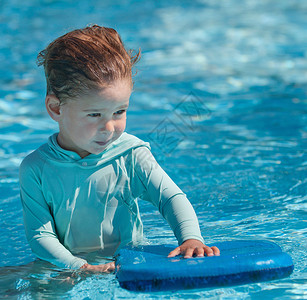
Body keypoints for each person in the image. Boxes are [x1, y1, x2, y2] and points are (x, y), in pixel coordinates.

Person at [19, 25, 219, 273]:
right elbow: (41, 237)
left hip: (128, 266)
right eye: (94, 114)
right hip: (65, 269)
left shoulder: (131, 155)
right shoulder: (36, 169)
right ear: (56, 108)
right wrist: (79, 267)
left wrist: (191, 239)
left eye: (119, 112)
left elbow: (170, 198)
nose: (109, 127)